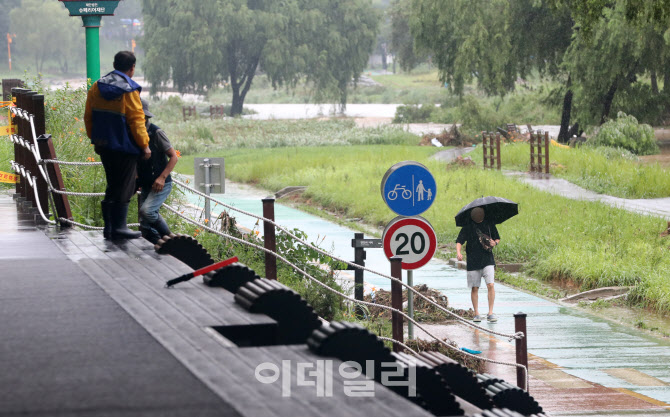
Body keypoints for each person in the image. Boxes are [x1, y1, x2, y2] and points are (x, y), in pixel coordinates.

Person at [84, 51, 151, 240]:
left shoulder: (97, 86)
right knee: (125, 185)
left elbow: (89, 116)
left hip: (104, 145)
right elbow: (137, 120)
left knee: (112, 183)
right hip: (125, 147)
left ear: (114, 64)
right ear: (132, 68)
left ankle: (109, 227)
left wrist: (95, 140)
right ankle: (120, 227)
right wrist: (145, 145)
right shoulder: (129, 89)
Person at [137, 99, 178, 243]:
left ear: (144, 116)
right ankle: (157, 248)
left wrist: (162, 177)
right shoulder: (133, 132)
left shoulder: (157, 133)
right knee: (145, 225)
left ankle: (171, 241)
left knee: (147, 212)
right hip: (146, 183)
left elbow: (174, 157)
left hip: (161, 183)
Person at [456, 207, 501, 323]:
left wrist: (494, 243)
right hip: (473, 261)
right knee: (474, 287)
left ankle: (490, 312)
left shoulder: (489, 224)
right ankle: (476, 313)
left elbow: (497, 238)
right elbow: (459, 241)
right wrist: (458, 252)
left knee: (490, 284)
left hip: (487, 259)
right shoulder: (467, 226)